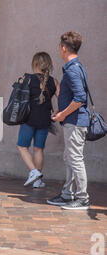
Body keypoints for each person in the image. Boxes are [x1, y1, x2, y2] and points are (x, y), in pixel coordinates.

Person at [47, 31, 90, 210]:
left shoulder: (72, 69)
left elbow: (80, 98)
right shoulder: (76, 67)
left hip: (75, 121)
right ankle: (67, 194)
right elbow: (73, 95)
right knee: (70, 157)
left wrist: (63, 114)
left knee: (75, 158)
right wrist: (61, 109)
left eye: (60, 47)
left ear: (64, 48)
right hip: (73, 120)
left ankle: (82, 197)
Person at [17, 52, 60, 188]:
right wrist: (57, 112)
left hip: (28, 119)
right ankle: (37, 181)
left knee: (22, 146)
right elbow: (63, 100)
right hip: (45, 121)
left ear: (35, 64)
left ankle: (34, 172)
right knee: (38, 149)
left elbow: (17, 96)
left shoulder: (27, 78)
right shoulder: (54, 81)